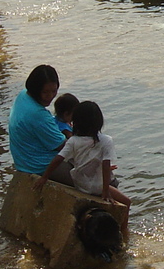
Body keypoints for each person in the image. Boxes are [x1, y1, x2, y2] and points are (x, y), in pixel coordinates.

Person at [53, 100, 130, 236]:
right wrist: (105, 191)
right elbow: (105, 166)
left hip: (79, 183)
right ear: (99, 122)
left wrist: (44, 177)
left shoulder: (73, 141)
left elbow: (61, 159)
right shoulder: (105, 141)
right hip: (95, 187)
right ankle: (124, 231)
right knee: (126, 202)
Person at [8, 64, 66, 178]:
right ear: (35, 90)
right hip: (40, 166)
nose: (50, 96)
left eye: (54, 91)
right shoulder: (38, 114)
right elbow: (62, 146)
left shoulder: (23, 95)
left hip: (23, 161)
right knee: (93, 178)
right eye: (45, 92)